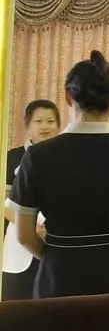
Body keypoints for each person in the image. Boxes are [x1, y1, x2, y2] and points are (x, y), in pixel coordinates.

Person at [9, 50, 109, 298]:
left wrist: (57, 254)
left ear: (68, 96)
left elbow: (24, 235)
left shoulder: (38, 155)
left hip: (58, 277)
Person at [2, 100, 60, 301]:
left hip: (56, 239)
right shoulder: (12, 157)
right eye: (38, 121)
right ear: (27, 126)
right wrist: (30, 226)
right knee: (16, 300)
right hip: (19, 238)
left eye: (50, 121)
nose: (45, 126)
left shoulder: (66, 157)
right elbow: (3, 202)